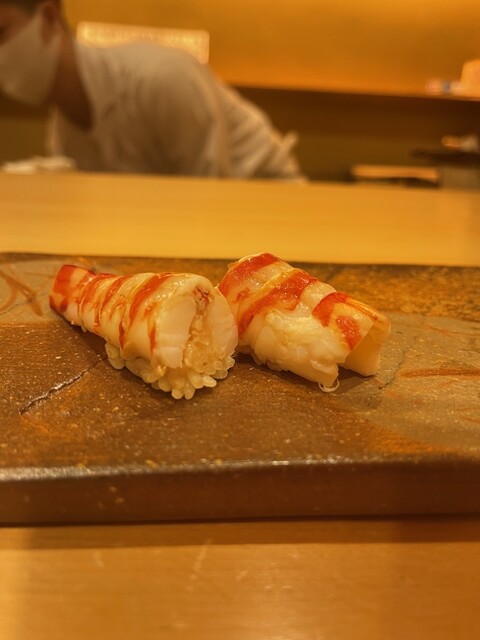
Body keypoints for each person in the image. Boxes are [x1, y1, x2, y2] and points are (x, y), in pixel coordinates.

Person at [0, 0, 304, 179]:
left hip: (266, 200)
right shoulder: (64, 128)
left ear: (49, 17)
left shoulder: (160, 76)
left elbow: (210, 193)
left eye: (1, 32)